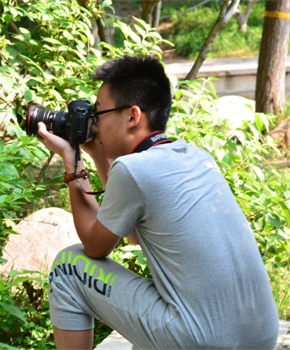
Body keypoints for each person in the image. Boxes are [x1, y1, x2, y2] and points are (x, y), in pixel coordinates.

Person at [36, 55, 279, 350]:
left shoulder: (134, 170)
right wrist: (99, 155)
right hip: (261, 336)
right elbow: (134, 234)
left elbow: (95, 247)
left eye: (98, 113)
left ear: (132, 116)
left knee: (68, 267)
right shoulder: (197, 156)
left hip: (202, 341)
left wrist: (72, 160)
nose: (94, 124)